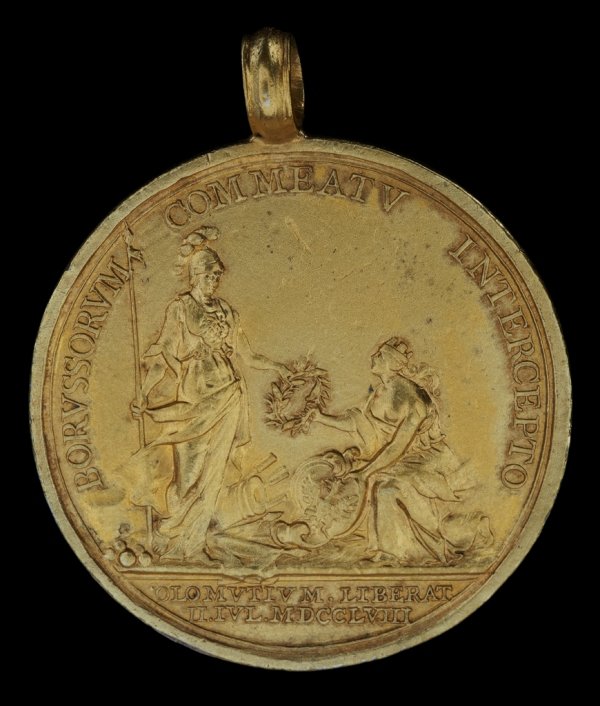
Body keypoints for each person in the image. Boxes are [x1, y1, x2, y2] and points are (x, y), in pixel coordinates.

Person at [131, 226, 287, 563]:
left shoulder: (228, 311)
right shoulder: (181, 308)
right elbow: (162, 353)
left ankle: (196, 544)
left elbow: (247, 356)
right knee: (189, 473)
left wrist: (278, 367)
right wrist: (143, 394)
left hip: (228, 392)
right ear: (196, 275)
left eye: (218, 274)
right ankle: (174, 539)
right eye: (210, 274)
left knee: (213, 474)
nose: (216, 279)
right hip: (195, 397)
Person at [310, 337, 492, 565]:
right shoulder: (381, 391)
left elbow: (398, 445)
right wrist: (321, 417)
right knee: (379, 482)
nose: (373, 356)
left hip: (431, 460)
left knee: (385, 486)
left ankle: (419, 548)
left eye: (379, 354)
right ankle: (393, 551)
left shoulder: (412, 397)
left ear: (392, 362)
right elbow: (358, 423)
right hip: (404, 457)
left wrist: (366, 471)